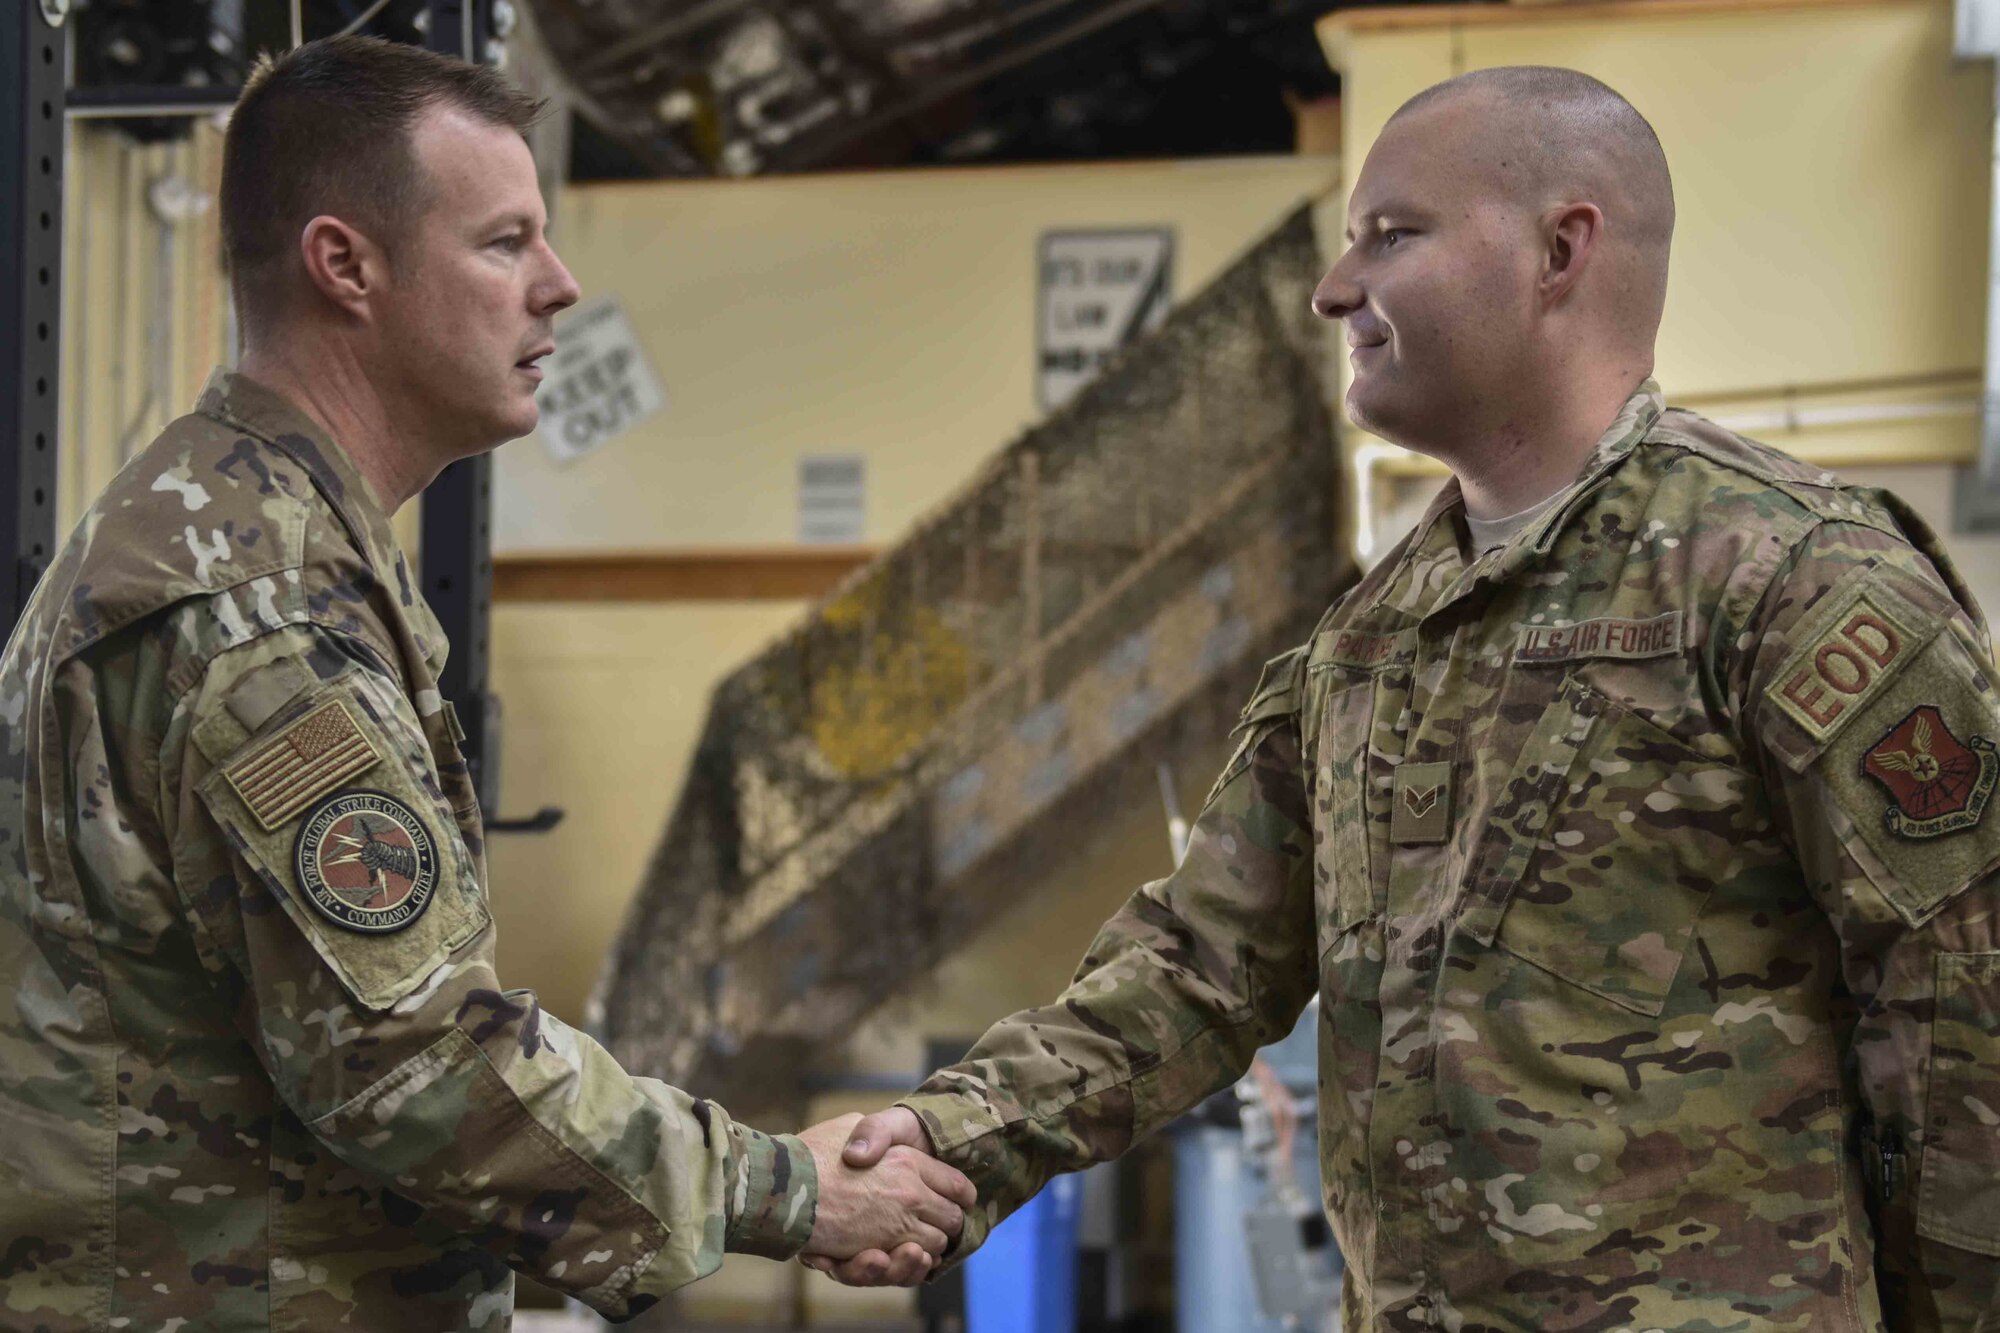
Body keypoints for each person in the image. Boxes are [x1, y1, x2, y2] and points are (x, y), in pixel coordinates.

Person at [817, 66, 2000, 1330]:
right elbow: (1200, 964)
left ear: (1559, 249)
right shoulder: (1371, 635)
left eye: (1391, 236)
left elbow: (1961, 1015)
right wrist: (956, 1129)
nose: (1335, 290)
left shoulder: (1788, 580)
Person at [0, 35, 970, 1331]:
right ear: (347, 265)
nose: (561, 287)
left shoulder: (258, 538)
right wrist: (786, 1189)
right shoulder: (254, 606)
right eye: (506, 243)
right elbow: (414, 1060)